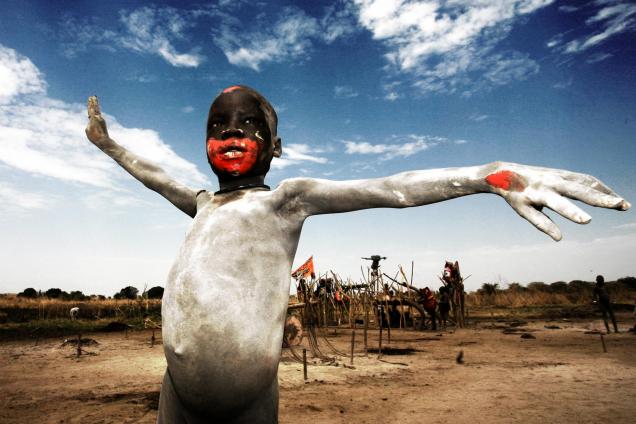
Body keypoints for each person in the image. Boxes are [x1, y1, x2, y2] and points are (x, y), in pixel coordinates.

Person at [84, 85, 629, 424]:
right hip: (174, 397)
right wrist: (110, 146)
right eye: (217, 125)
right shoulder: (202, 206)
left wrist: (488, 176)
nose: (230, 133)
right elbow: (156, 178)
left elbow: (391, 187)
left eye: (248, 124)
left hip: (245, 403)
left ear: (275, 146)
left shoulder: (284, 202)